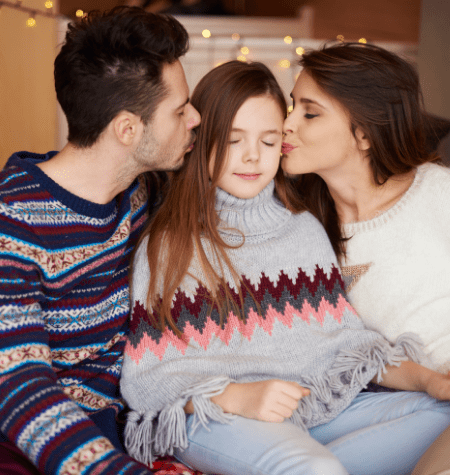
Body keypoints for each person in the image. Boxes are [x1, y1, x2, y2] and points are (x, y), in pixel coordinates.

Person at [120, 59, 450, 475]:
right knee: (313, 468)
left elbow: (341, 348)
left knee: (440, 414)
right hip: (216, 417)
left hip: (312, 409)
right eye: (233, 140)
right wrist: (236, 396)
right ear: (202, 141)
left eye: (269, 140)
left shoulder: (304, 229)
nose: (252, 156)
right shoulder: (170, 242)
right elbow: (149, 377)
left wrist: (430, 381)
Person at [0, 6, 200, 475]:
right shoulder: (12, 224)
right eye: (179, 109)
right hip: (32, 449)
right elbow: (20, 388)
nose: (195, 118)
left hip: (126, 432)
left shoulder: (136, 193)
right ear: (127, 130)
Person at [281, 42, 450, 475]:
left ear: (364, 133)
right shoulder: (300, 232)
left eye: (309, 112)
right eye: (291, 106)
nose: (287, 124)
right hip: (410, 406)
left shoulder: (439, 192)